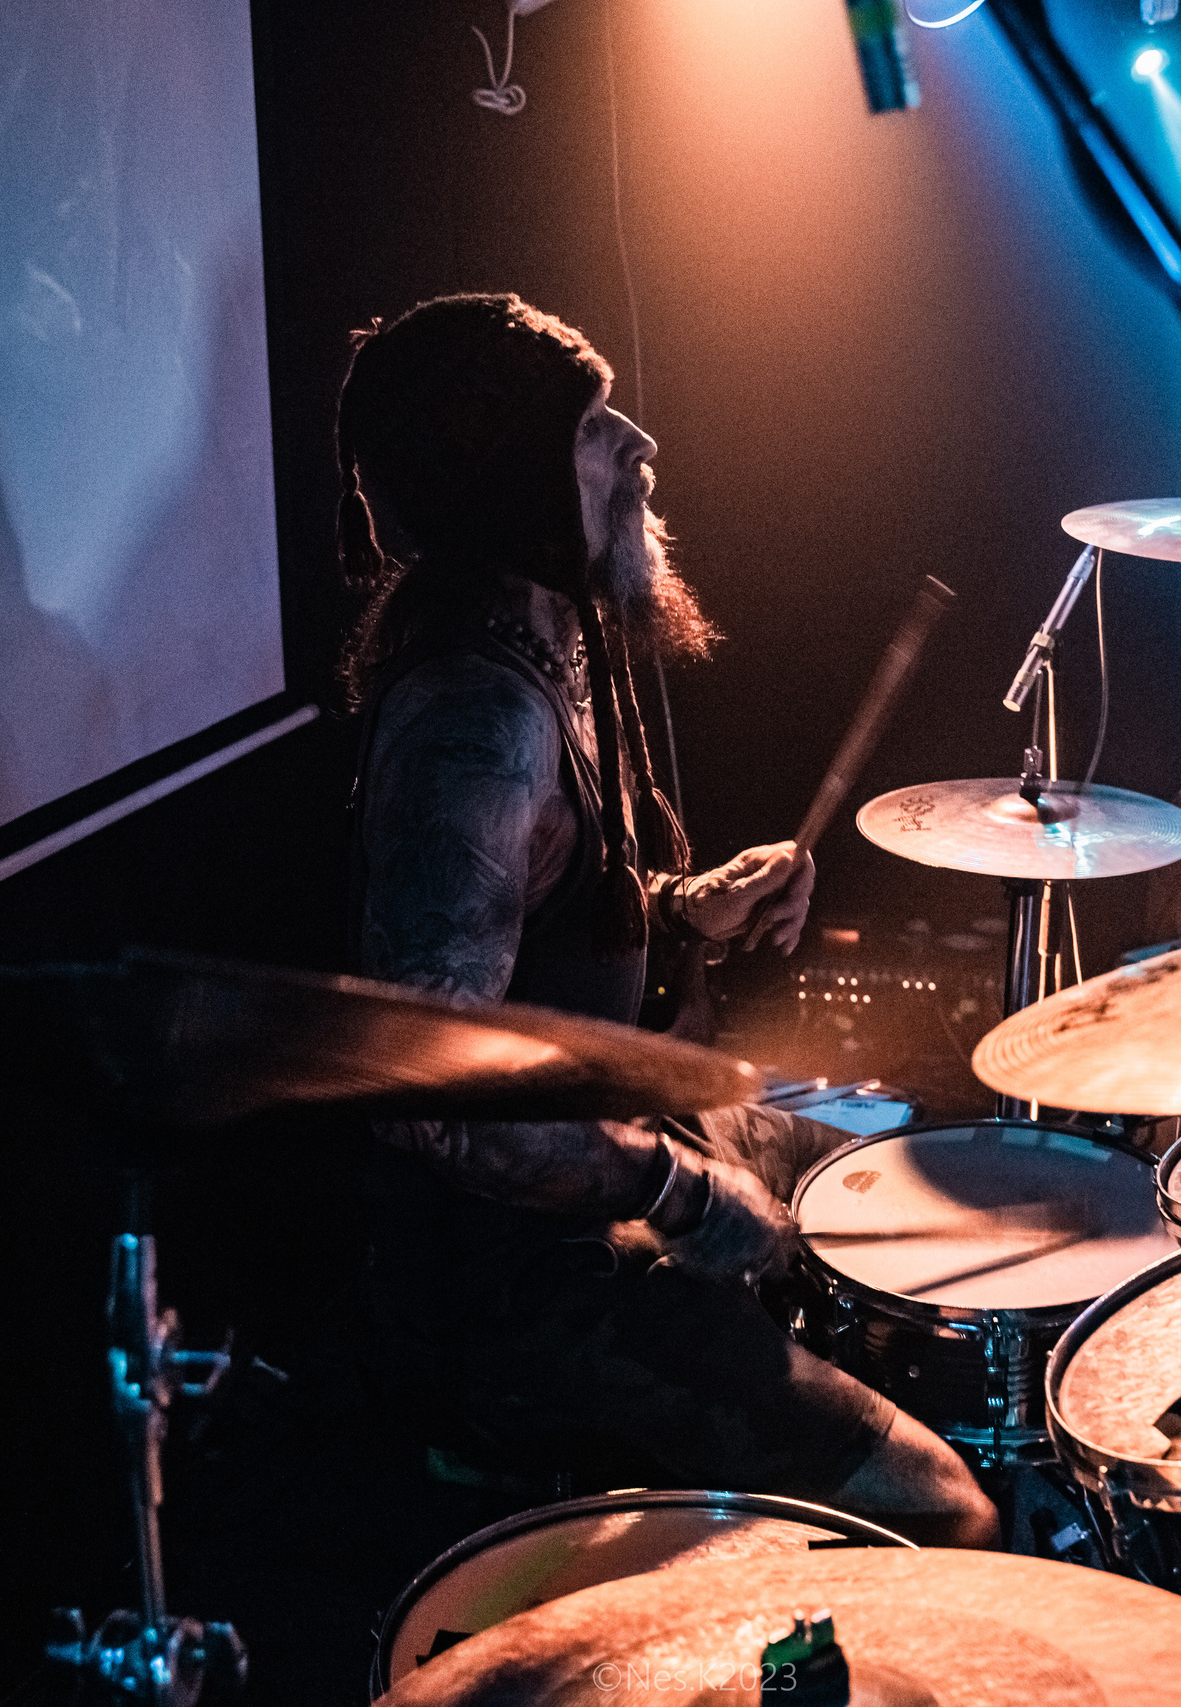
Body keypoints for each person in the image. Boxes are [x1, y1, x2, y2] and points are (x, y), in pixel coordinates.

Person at [340, 293, 996, 1547]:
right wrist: (683, 1192)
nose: (638, 443)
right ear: (505, 480)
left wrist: (685, 912)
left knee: (903, 1163)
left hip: (602, 1164)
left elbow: (536, 938)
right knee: (946, 1509)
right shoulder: (473, 727)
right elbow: (432, 1102)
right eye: (592, 428)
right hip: (522, 1282)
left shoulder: (542, 649)